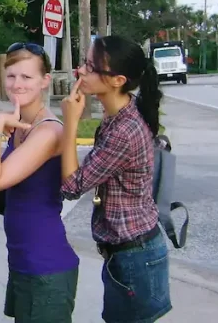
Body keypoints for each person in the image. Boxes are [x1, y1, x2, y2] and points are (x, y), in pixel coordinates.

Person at [59, 35, 171, 323]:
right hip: (130, 253)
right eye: (84, 63)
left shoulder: (125, 130)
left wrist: (70, 123)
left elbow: (72, 186)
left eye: (91, 67)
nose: (80, 71)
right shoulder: (120, 114)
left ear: (117, 80)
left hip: (135, 257)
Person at [0, 42, 80, 322]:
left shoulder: (47, 132)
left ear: (45, 80)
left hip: (46, 266)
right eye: (11, 76)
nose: (17, 84)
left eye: (26, 77)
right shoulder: (19, 124)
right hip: (23, 262)